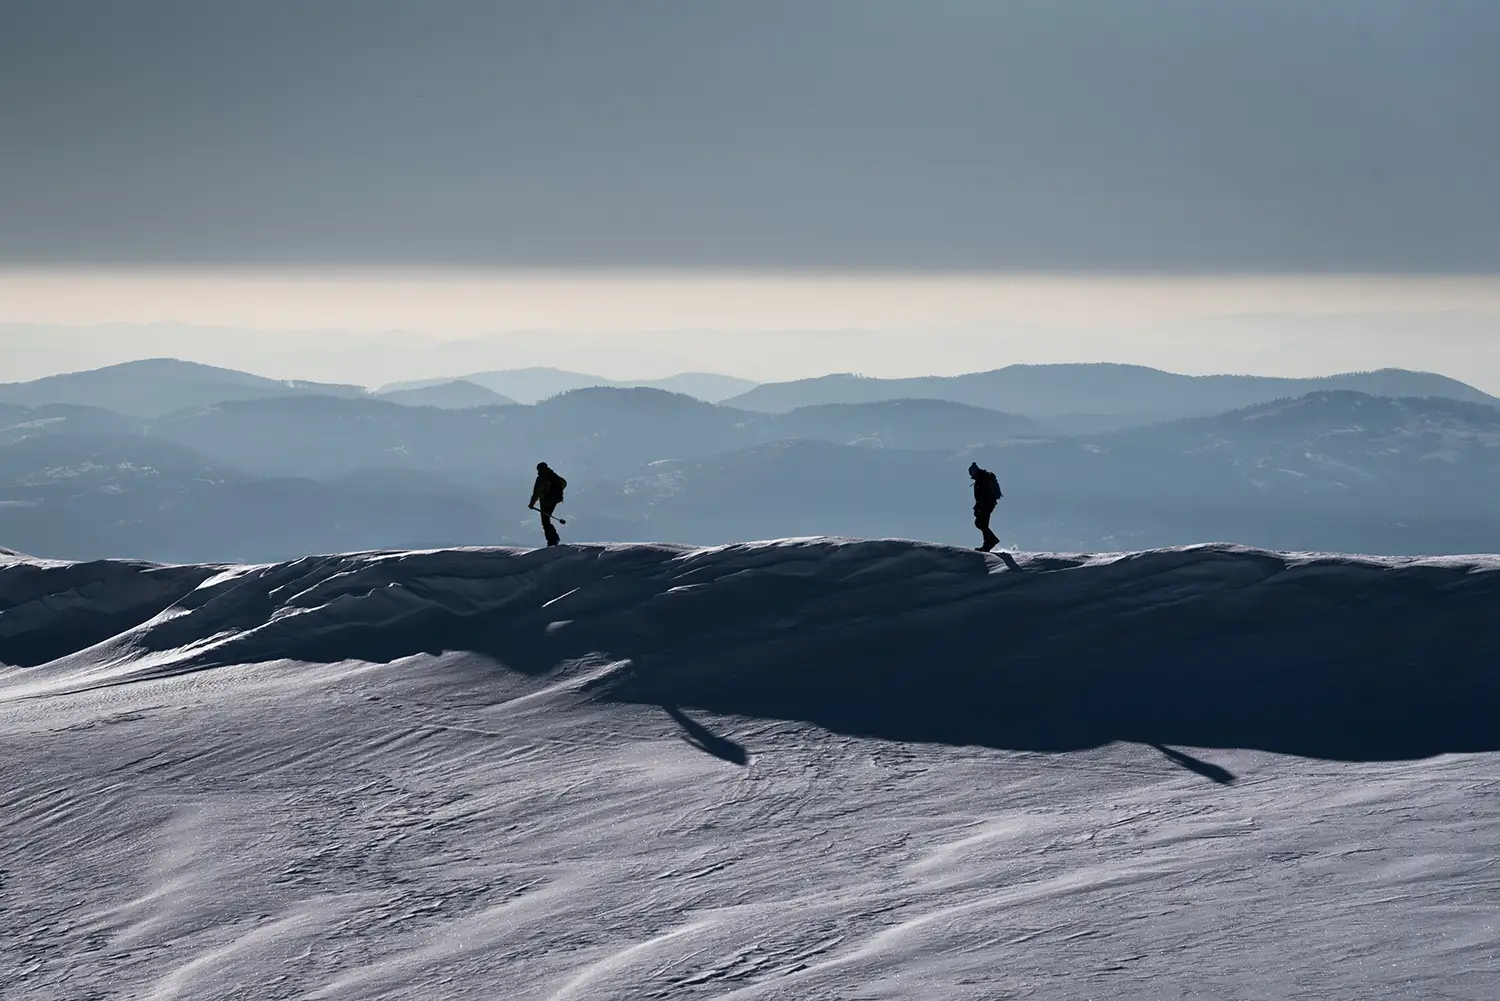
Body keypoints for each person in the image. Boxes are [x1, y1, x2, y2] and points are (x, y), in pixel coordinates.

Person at [528, 461, 567, 547]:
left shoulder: (541, 478)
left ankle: (552, 540)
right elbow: (564, 483)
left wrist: (531, 504)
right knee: (547, 520)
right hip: (554, 501)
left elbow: (536, 493)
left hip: (545, 502)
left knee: (545, 522)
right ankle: (553, 539)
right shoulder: (553, 475)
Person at [968, 461, 1002, 552]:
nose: (970, 474)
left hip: (986, 504)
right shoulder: (981, 479)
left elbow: (983, 495)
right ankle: (989, 542)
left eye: (971, 472)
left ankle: (990, 542)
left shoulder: (982, 479)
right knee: (981, 523)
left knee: (981, 523)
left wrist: (980, 506)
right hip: (986, 504)